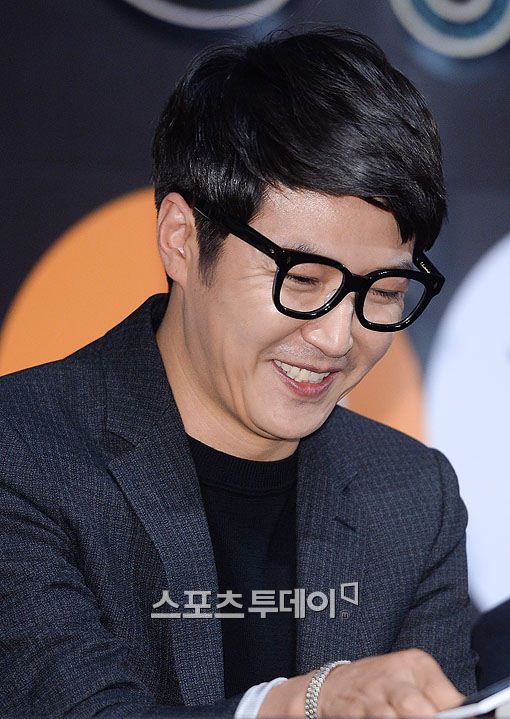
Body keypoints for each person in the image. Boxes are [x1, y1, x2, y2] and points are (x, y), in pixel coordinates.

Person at [0, 26, 477, 719]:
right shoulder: (24, 453)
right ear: (182, 239)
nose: (337, 337)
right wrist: (298, 703)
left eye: (383, 293)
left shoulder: (412, 496)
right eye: (303, 280)